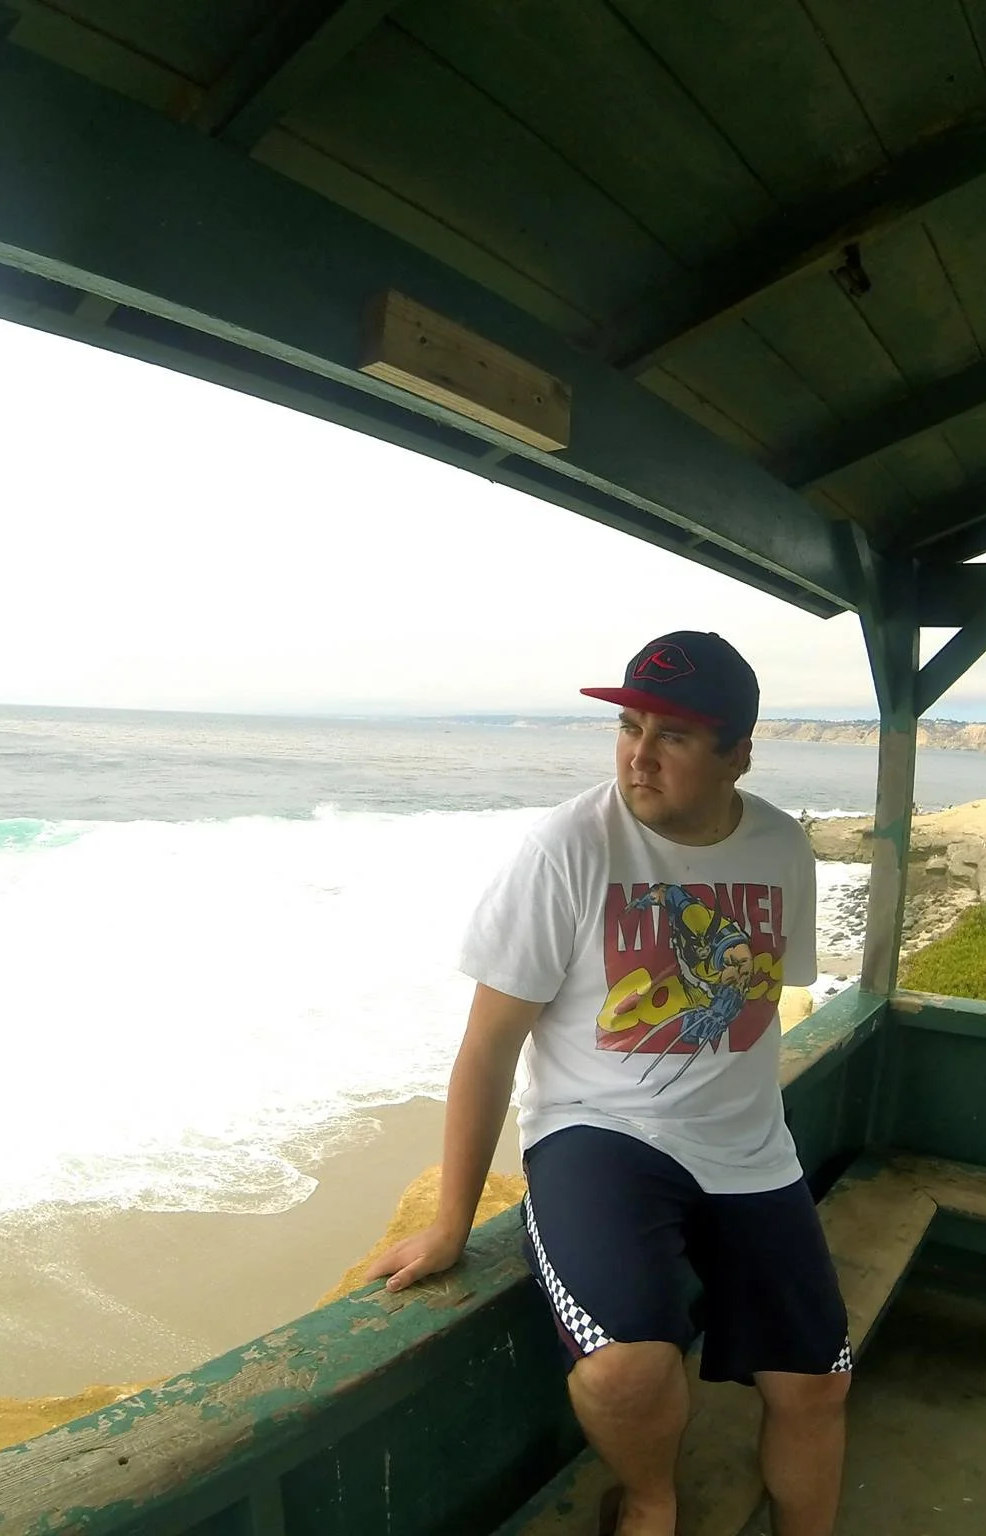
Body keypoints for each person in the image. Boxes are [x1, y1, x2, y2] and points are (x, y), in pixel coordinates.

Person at [366, 632, 847, 1536]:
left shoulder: (783, 847)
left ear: (738, 754)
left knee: (818, 1386)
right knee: (629, 1368)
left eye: (673, 735)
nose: (639, 754)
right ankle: (650, 1503)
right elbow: (487, 1046)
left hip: (749, 1148)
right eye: (630, 726)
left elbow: (757, 1003)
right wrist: (450, 1223)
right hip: (599, 1133)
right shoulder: (566, 848)